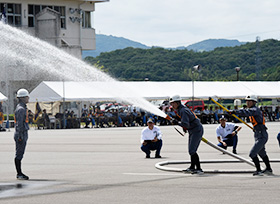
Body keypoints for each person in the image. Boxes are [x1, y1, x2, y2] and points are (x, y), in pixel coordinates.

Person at [232, 95, 273, 176]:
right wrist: (234, 111)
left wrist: (235, 112)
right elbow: (245, 111)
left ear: (254, 102)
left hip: (262, 134)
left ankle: (259, 170)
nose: (247, 103)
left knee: (252, 153)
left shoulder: (255, 110)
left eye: (249, 101)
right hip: (257, 134)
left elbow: (247, 112)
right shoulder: (251, 109)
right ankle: (268, 168)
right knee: (262, 153)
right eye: (247, 101)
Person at [169, 95, 204, 174]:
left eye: (173, 103)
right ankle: (192, 167)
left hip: (196, 130)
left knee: (192, 150)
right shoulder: (180, 109)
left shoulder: (183, 110)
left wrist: (177, 123)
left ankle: (199, 169)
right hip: (193, 130)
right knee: (191, 150)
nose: (172, 105)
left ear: (177, 103)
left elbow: (185, 124)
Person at [14, 88, 30, 180]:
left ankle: (19, 172)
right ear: (23, 98)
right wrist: (20, 136)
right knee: (19, 153)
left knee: (20, 153)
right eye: (27, 97)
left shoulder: (22, 108)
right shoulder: (21, 109)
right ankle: (19, 173)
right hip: (21, 133)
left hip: (22, 133)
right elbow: (20, 124)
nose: (28, 98)